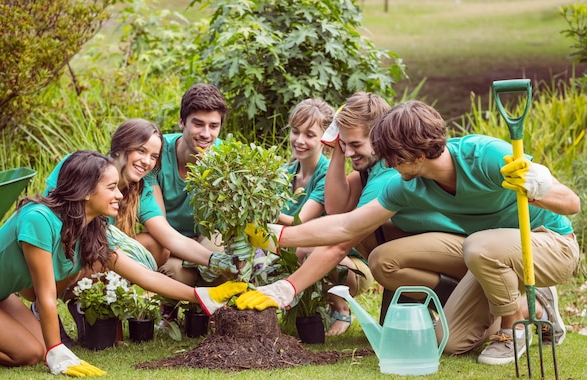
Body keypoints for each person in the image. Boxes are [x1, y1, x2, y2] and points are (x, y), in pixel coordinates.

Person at [239, 100, 579, 366]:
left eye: (390, 156)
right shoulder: (409, 183)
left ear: (411, 153)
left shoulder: (487, 155)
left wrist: (539, 185)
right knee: (448, 341)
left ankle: (513, 329)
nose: (385, 164)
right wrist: (277, 238)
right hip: (487, 254)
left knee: (479, 245)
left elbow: (571, 203)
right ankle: (528, 305)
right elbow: (346, 225)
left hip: (547, 242)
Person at [0, 151, 246, 376]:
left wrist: (202, 296)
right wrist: (57, 351)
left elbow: (145, 276)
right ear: (86, 191)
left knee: (37, 345)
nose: (120, 195)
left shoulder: (91, 230)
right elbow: (45, 297)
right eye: (111, 187)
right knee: (30, 354)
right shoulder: (39, 219)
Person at [38, 119, 238, 340]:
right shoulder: (82, 167)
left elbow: (170, 237)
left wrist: (215, 260)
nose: (146, 162)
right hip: (59, 254)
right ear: (121, 147)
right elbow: (50, 217)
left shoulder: (140, 189)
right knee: (105, 248)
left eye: (153, 157)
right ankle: (45, 305)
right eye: (141, 151)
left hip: (97, 254)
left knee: (156, 246)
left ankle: (93, 303)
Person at [322, 92, 467, 324]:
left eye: (356, 144)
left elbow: (344, 231)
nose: (349, 153)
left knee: (368, 233)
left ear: (378, 138)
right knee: (370, 232)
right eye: (344, 143)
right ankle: (415, 306)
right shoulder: (371, 167)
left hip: (460, 255)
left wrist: (290, 285)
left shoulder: (388, 173)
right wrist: (338, 149)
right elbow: (335, 207)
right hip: (431, 250)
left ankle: (464, 304)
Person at [278, 98, 374, 336]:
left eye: (310, 135)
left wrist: (261, 212)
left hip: (345, 265)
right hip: (298, 253)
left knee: (306, 250)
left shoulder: (325, 174)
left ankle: (342, 309)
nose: (300, 141)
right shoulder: (286, 173)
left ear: (325, 138)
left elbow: (298, 222)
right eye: (295, 132)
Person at [144, 84, 230, 287]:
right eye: (198, 124)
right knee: (170, 270)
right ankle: (179, 306)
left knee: (219, 251)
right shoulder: (156, 155)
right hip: (170, 245)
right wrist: (187, 249)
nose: (206, 134)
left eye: (214, 126)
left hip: (208, 238)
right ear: (182, 122)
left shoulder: (225, 158)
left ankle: (206, 308)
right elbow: (159, 224)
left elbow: (226, 225)